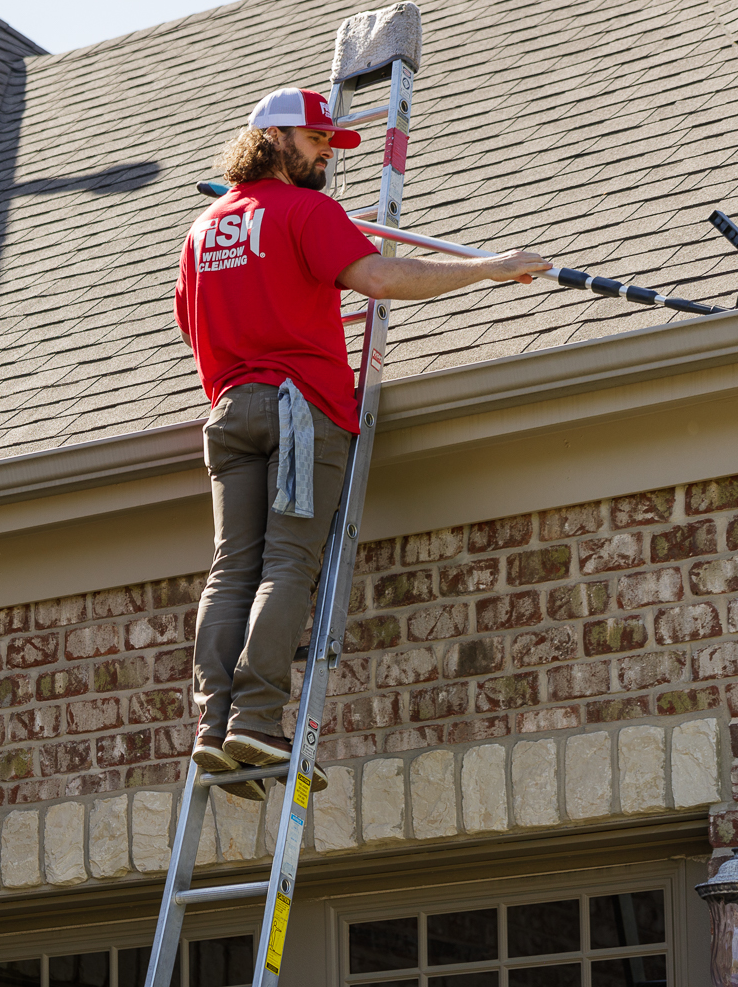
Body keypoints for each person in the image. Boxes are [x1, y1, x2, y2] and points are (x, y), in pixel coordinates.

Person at [176, 86, 551, 796]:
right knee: (287, 563)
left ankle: (213, 726)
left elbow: (191, 328)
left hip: (229, 412)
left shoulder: (202, 231)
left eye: (331, 143)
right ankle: (255, 719)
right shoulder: (306, 211)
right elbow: (377, 276)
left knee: (231, 569)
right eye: (316, 140)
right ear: (274, 139)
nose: (327, 154)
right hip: (299, 411)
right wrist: (486, 267)